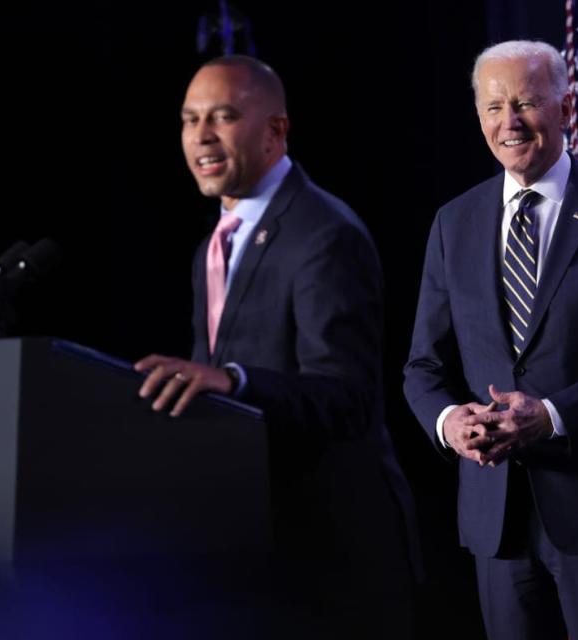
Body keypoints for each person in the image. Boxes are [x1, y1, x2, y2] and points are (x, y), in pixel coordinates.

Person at [403, 40, 578, 639]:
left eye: (526, 102)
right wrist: (450, 422)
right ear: (478, 117)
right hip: (493, 517)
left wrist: (551, 415)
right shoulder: (455, 221)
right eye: (494, 107)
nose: (510, 122)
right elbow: (423, 365)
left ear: (565, 105)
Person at [135, 55, 418, 637]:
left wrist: (235, 381)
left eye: (223, 117)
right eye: (190, 120)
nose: (201, 137)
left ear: (276, 130)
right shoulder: (212, 247)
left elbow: (348, 399)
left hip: (335, 559)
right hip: (253, 553)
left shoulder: (325, 234)